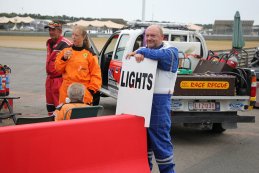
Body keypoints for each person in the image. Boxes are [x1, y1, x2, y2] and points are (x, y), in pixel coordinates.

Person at [127, 25, 179, 173]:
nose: (149, 38)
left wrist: (140, 51)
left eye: (153, 36)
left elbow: (161, 57)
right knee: (143, 146)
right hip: (141, 103)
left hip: (159, 104)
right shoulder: (145, 52)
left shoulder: (171, 51)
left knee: (161, 144)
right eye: (147, 36)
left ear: (162, 37)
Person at [55, 25, 102, 105]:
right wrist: (64, 59)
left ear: (83, 37)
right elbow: (58, 70)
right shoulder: (65, 51)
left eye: (76, 35)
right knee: (65, 115)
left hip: (83, 94)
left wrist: (90, 91)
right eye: (72, 34)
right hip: (66, 92)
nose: (73, 37)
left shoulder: (90, 55)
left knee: (82, 116)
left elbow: (96, 76)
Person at [45, 20, 72, 115]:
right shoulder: (49, 43)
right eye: (49, 30)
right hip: (49, 80)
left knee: (60, 108)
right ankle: (51, 125)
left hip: (60, 81)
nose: (51, 32)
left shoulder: (66, 44)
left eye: (53, 30)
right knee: (50, 107)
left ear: (60, 31)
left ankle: (60, 126)